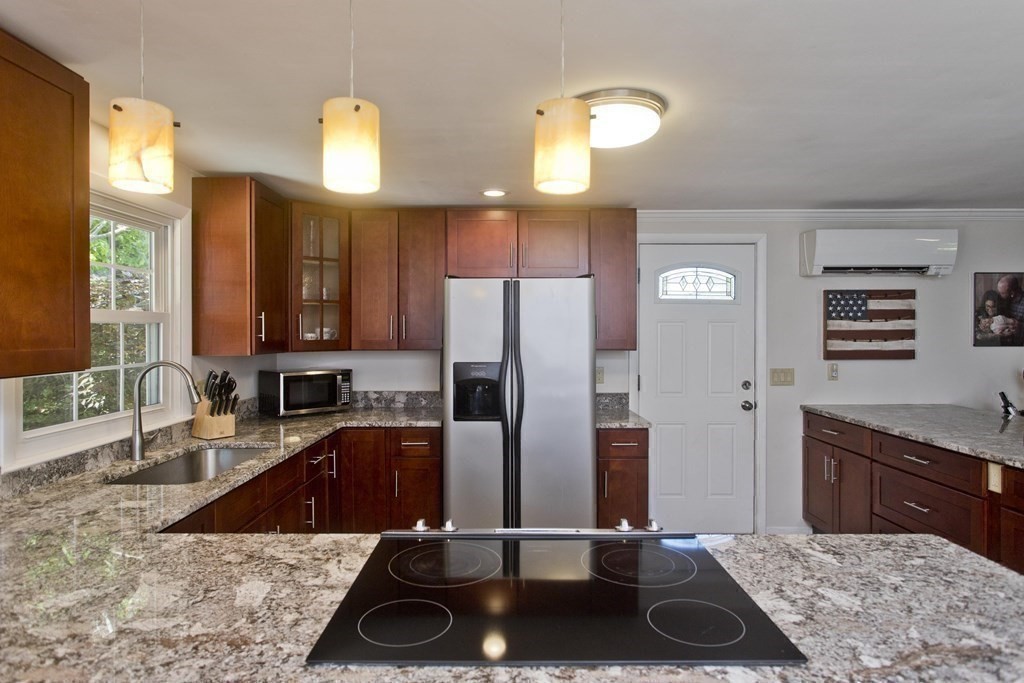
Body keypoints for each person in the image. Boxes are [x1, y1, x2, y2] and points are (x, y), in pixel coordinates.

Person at [996, 275, 1024, 346]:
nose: (999, 295)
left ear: (1012, 293)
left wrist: (1018, 326)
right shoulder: (1002, 299)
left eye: (1002, 293)